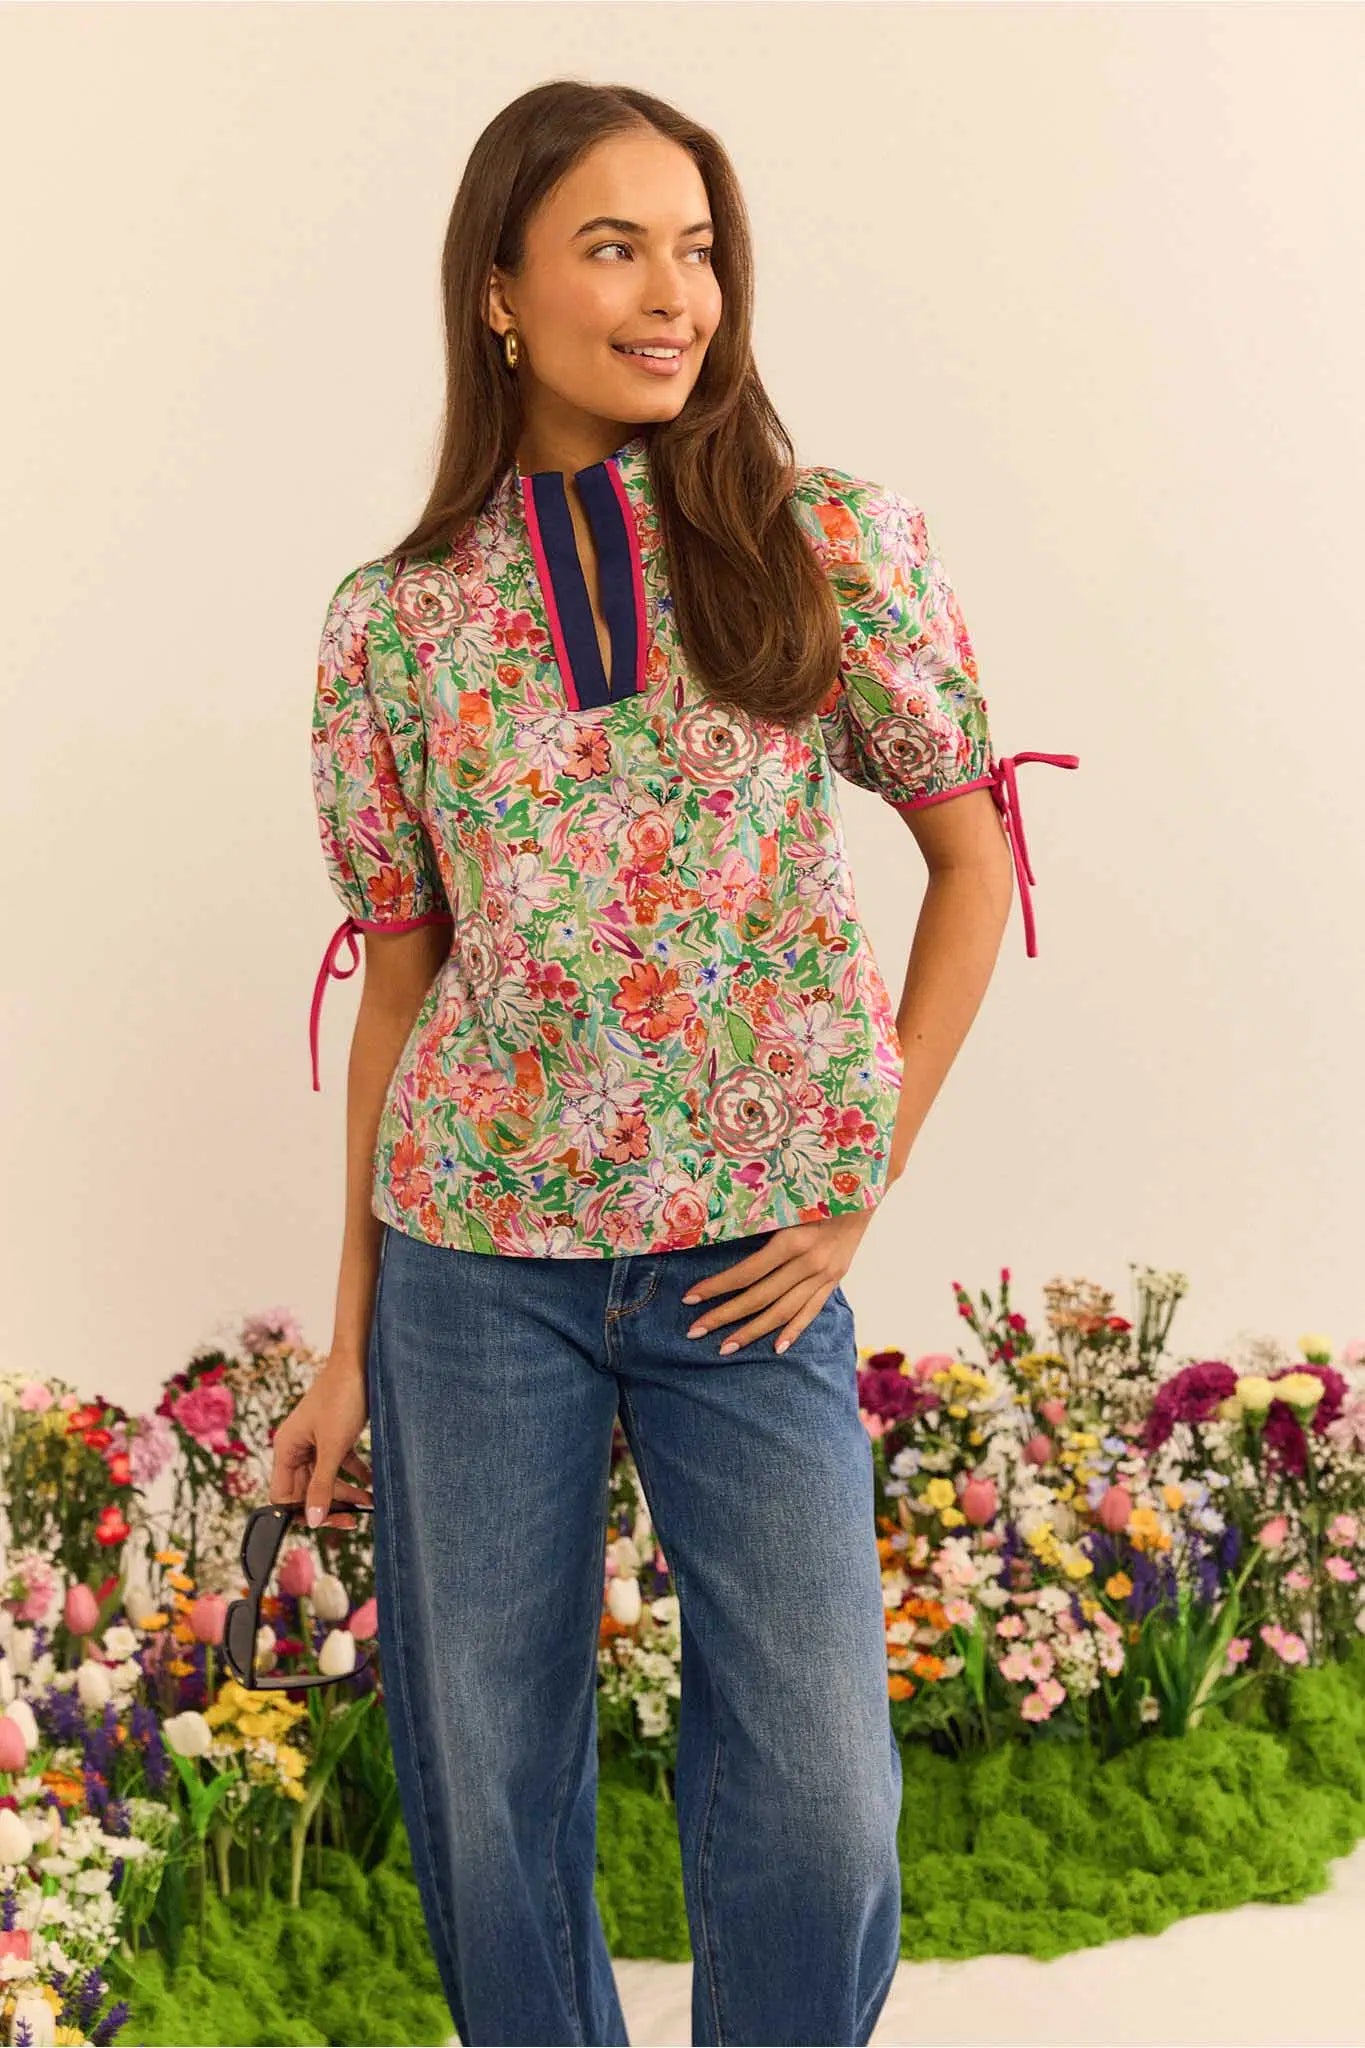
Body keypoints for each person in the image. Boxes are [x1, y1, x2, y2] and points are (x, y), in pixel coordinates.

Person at [271, 79, 1078, 2048]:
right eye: (612, 246)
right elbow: (400, 986)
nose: (670, 292)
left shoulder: (824, 544)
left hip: (747, 1270)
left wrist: (849, 1173)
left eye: (697, 246)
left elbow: (974, 860)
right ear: (498, 294)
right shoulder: (393, 627)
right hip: (472, 1271)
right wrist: (346, 1340)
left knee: (818, 1791)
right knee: (488, 1784)